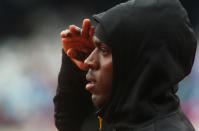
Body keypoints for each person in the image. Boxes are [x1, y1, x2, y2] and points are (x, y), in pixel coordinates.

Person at [54, 0, 197, 131]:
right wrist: (75, 72)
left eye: (103, 50)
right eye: (93, 49)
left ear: (137, 61)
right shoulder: (132, 116)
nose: (88, 61)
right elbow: (74, 125)